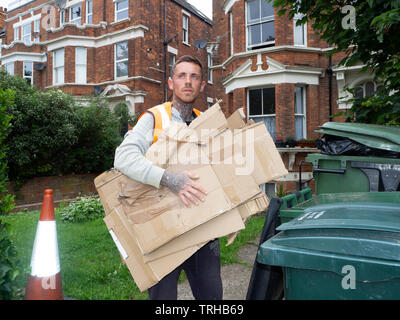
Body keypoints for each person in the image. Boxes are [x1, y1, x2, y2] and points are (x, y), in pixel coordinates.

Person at [114, 55, 223, 300]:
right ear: (171, 82)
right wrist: (170, 179)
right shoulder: (154, 118)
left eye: (194, 77)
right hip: (162, 231)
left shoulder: (206, 123)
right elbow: (122, 157)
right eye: (182, 76)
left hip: (202, 231)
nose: (188, 82)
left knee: (212, 299)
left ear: (202, 85)